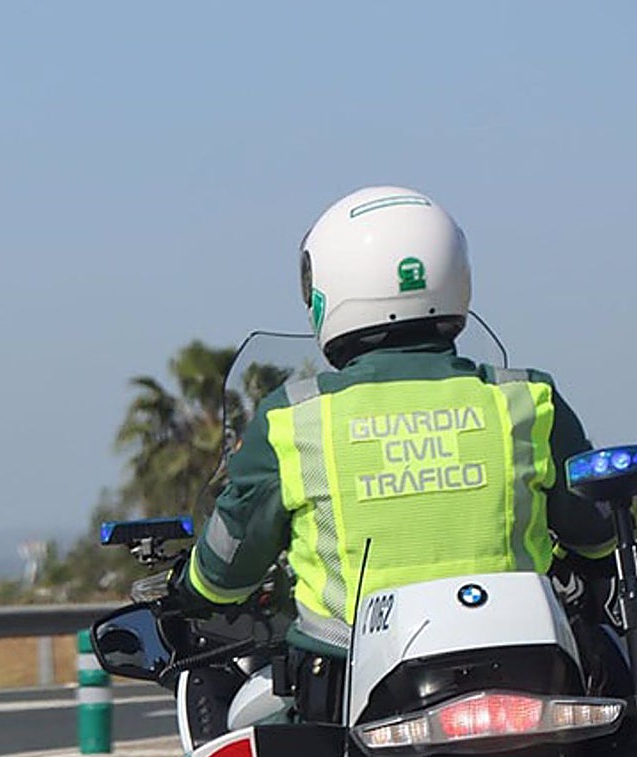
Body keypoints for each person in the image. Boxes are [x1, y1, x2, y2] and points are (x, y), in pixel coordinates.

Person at [171, 185, 618, 719]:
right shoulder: (527, 399)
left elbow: (225, 573)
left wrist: (191, 588)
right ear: (457, 278)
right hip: (530, 674)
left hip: (347, 688)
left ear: (327, 291)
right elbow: (596, 536)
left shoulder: (294, 418)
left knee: (249, 734)